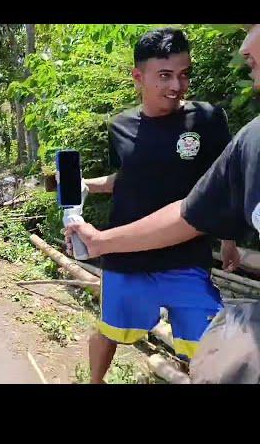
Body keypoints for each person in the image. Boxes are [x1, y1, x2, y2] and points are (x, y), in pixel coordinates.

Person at [66, 24, 260, 383]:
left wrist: (228, 241)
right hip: (126, 254)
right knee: (110, 330)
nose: (176, 86)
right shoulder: (120, 126)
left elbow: (223, 185)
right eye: (165, 75)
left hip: (187, 255)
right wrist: (86, 186)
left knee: (207, 344)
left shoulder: (207, 120)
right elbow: (129, 176)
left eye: (184, 75)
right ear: (138, 76)